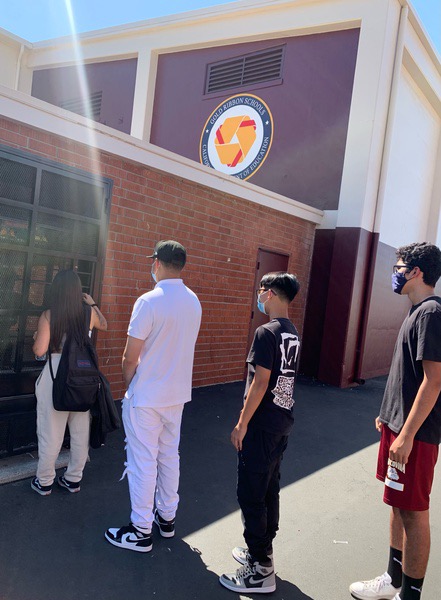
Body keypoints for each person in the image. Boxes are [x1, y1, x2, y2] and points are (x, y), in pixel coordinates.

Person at [350, 242, 441, 600]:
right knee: (398, 504)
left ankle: (411, 595)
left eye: (400, 265)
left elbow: (434, 382)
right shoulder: (417, 310)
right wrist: (388, 417)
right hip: (398, 426)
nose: (396, 271)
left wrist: (405, 436)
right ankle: (393, 579)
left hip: (414, 435)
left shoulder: (432, 312)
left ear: (416, 272)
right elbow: (409, 376)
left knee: (414, 512)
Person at [105, 240, 202, 553]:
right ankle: (167, 519)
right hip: (176, 396)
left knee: (142, 461)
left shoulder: (148, 301)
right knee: (168, 456)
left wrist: (130, 384)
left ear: (157, 263)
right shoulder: (193, 301)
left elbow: (130, 356)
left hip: (147, 396)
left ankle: (140, 530)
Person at [219, 271, 301, 594]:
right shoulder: (291, 331)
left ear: (270, 293)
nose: (258, 294)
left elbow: (261, 382)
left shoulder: (266, 333)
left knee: (250, 493)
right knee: (268, 488)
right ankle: (262, 552)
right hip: (281, 424)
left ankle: (261, 570)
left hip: (262, 426)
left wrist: (241, 423)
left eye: (260, 290)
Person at [31, 269, 108, 496]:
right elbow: (104, 324)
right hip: (82, 379)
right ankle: (73, 479)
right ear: (77, 290)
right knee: (80, 432)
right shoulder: (88, 314)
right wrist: (93, 304)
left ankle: (44, 482)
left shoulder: (49, 315)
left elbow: (39, 350)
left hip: (55, 377)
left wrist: (37, 337)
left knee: (50, 433)